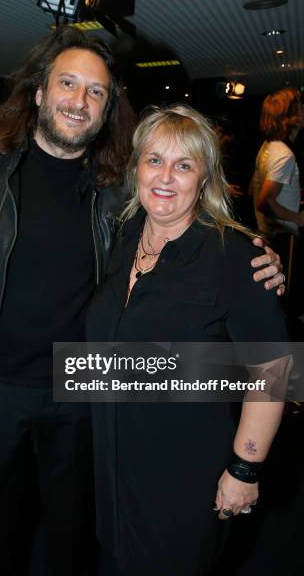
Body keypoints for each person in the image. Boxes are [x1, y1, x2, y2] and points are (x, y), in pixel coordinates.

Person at [0, 27, 284, 576]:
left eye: (95, 91)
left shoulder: (114, 182)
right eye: (68, 83)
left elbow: (260, 353)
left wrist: (261, 261)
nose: (79, 100)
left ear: (107, 107)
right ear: (40, 92)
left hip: (83, 389)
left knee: (77, 534)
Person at [86, 105, 290, 576]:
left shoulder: (236, 258)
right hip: (114, 467)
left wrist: (244, 470)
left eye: (183, 165)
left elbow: (273, 372)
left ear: (204, 178)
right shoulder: (121, 238)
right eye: (154, 159)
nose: (165, 176)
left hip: (185, 473)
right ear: (136, 166)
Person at [252, 87, 304, 291]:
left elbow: (255, 187)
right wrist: (298, 218)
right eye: (300, 108)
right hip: (284, 237)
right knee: (287, 295)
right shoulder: (284, 154)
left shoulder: (268, 146)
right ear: (288, 118)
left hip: (271, 233)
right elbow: (264, 201)